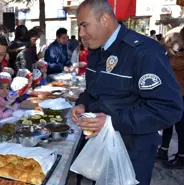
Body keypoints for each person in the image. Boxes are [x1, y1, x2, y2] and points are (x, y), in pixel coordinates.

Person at [71, 1, 183, 185]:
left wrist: (113, 122)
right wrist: (82, 103)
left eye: (84, 25)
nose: (81, 33)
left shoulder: (144, 52)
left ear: (105, 19)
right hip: (99, 147)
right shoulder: (96, 51)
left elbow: (168, 108)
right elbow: (94, 91)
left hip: (132, 154)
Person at [157, 27, 184, 169]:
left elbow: (170, 65)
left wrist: (168, 50)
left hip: (181, 95)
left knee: (181, 128)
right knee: (167, 123)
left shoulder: (179, 56)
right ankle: (163, 150)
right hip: (173, 94)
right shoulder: (179, 52)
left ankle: (181, 157)